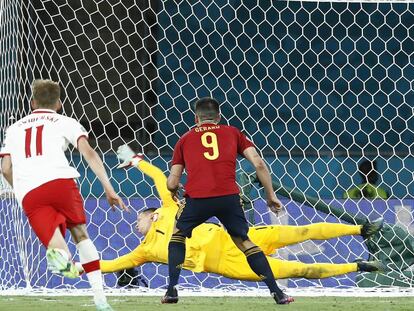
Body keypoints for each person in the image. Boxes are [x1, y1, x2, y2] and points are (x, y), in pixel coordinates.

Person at [98, 150, 384, 287]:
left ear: (151, 215)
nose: (135, 226)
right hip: (229, 264)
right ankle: (359, 265)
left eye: (138, 219)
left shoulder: (169, 206)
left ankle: (360, 228)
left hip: (238, 236)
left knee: (302, 231)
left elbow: (160, 176)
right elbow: (110, 265)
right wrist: (74, 267)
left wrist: (134, 160)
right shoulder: (144, 252)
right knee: (298, 270)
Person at [0, 79, 128, 311]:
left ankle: (67, 264)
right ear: (59, 103)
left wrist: (20, 190)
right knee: (80, 234)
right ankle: (101, 301)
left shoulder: (13, 128)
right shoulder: (66, 121)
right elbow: (89, 153)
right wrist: (109, 188)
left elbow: (6, 168)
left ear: (32, 102)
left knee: (57, 253)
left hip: (31, 192)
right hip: (60, 183)